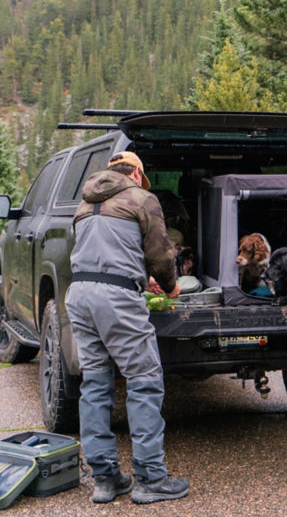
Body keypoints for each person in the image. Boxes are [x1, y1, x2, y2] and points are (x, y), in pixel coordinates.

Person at [65, 151, 190, 504]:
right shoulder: (141, 198)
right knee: (144, 381)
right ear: (135, 173)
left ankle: (105, 479)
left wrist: (135, 276)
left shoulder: (85, 204)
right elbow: (162, 253)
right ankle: (150, 478)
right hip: (116, 300)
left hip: (80, 295)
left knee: (96, 385)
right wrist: (169, 286)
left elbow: (103, 252)